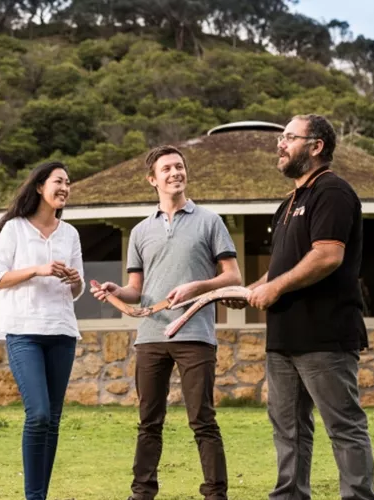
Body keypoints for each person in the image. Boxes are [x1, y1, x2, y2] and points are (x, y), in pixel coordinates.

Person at [224, 114, 374, 500]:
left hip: (324, 334)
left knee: (344, 427)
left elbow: (327, 255)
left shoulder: (333, 191)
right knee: (288, 429)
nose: (280, 144)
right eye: (281, 138)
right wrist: (249, 291)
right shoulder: (288, 204)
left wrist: (274, 288)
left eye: (289, 137)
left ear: (316, 146)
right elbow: (281, 268)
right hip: (283, 337)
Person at [91, 145, 242, 500]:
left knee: (202, 420)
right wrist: (116, 291)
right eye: (167, 169)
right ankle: (142, 493)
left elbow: (233, 276)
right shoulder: (140, 231)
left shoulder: (210, 221)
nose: (175, 173)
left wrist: (197, 286)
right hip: (151, 336)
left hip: (195, 334)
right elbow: (135, 290)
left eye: (179, 166)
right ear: (152, 180)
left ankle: (215, 494)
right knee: (149, 422)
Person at [0, 160, 85, 500]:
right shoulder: (15, 229)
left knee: (52, 419)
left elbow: (77, 290)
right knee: (38, 414)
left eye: (68, 183)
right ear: (40, 187)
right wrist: (37, 270)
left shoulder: (70, 234)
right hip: (23, 331)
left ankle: (39, 496)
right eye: (58, 181)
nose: (65, 188)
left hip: (62, 331)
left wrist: (75, 280)